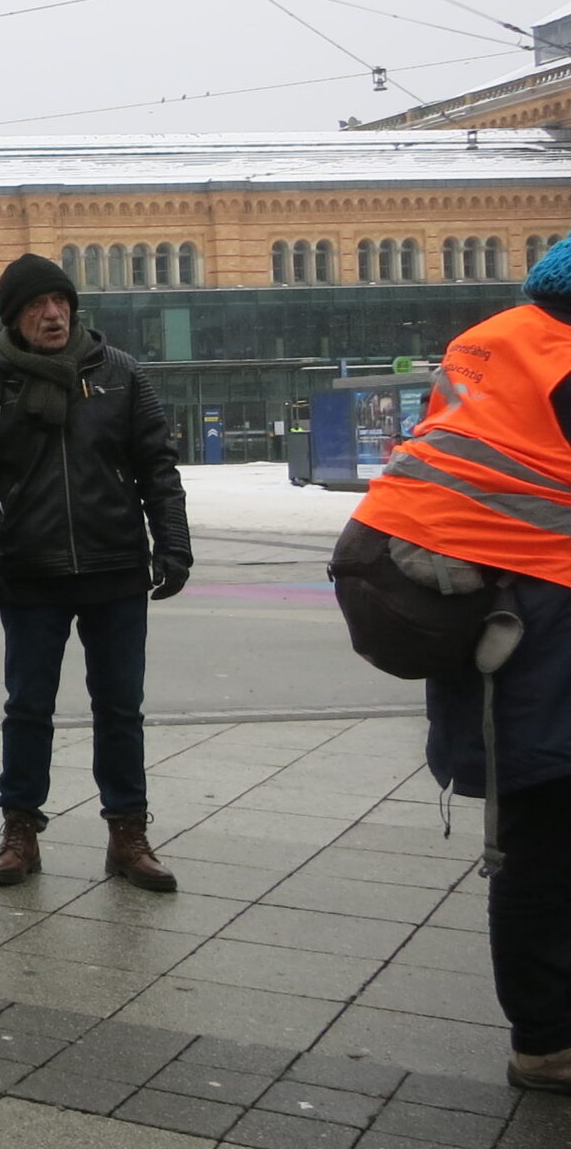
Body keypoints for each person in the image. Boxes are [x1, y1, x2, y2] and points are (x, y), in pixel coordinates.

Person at [342, 239, 571, 1092]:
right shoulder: (558, 360)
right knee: (546, 853)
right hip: (546, 626)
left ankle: (544, 1033)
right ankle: (546, 1042)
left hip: (492, 626)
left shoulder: (490, 346)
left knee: (531, 845)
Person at [0, 254, 190, 893]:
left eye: (60, 302)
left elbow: (157, 468)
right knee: (27, 707)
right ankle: (20, 831)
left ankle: (127, 834)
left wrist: (173, 546)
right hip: (29, 573)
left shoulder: (122, 376)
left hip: (114, 569)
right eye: (36, 305)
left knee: (120, 708)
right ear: (13, 317)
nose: (52, 314)